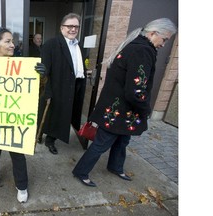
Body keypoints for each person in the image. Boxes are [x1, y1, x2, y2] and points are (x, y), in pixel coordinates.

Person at [72, 18, 177, 187]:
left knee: (122, 140)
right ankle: (81, 171)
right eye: (164, 39)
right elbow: (135, 90)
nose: (164, 44)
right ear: (153, 33)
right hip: (119, 110)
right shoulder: (142, 51)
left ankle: (115, 167)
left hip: (121, 110)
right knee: (102, 143)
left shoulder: (136, 46)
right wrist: (145, 110)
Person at [0, 27, 46, 202]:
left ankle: (21, 185)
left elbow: (35, 93)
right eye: (7, 41)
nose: (12, 45)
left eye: (12, 41)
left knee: (17, 153)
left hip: (15, 119)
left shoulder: (23, 67)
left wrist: (41, 77)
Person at [39, 13, 86, 154]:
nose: (73, 29)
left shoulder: (79, 46)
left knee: (65, 115)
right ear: (61, 28)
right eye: (69, 26)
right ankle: (48, 139)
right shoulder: (51, 45)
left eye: (76, 27)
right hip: (57, 87)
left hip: (74, 86)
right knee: (52, 116)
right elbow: (45, 72)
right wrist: (47, 92)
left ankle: (51, 138)